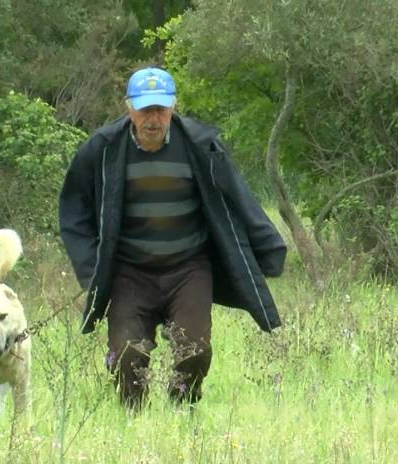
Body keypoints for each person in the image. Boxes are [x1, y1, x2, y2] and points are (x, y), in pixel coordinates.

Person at [58, 66, 286, 409]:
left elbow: (237, 196)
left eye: (161, 109)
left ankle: (181, 410)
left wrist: (268, 249)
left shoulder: (200, 145)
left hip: (188, 269)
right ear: (129, 108)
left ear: (173, 107)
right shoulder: (102, 148)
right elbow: (74, 209)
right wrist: (93, 272)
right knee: (126, 357)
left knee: (195, 351)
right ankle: (133, 420)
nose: (154, 119)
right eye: (146, 109)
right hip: (129, 273)